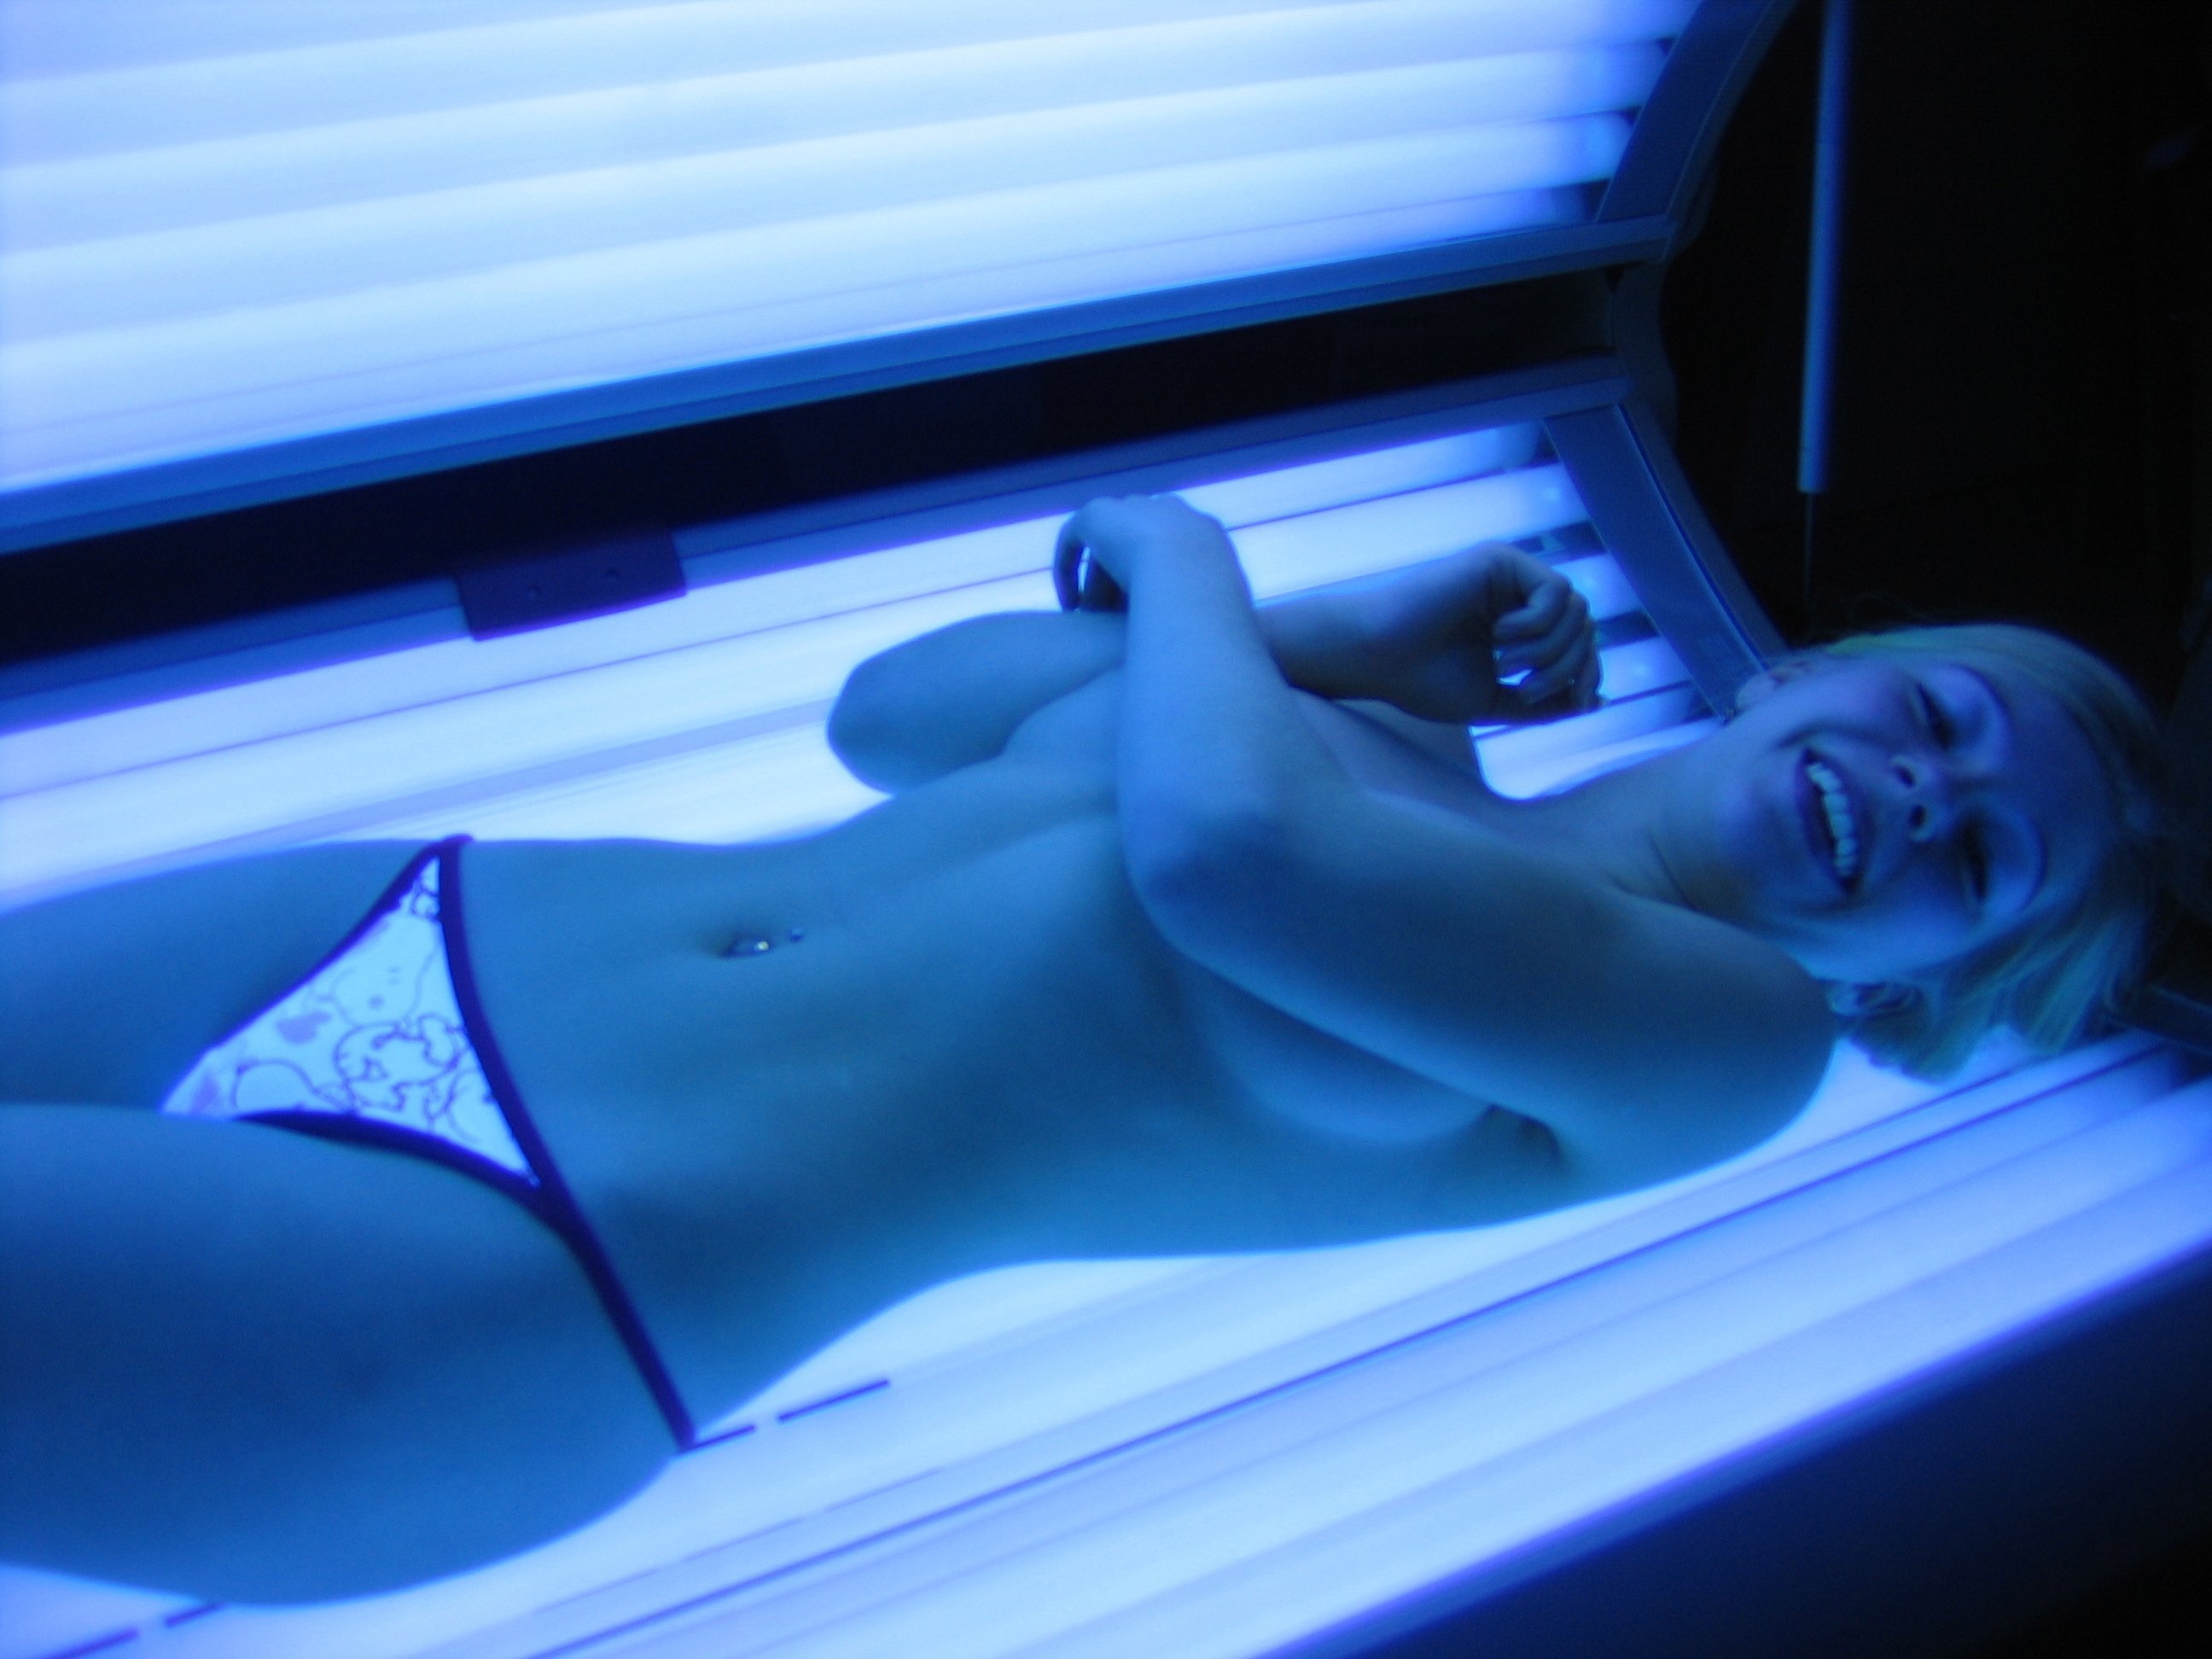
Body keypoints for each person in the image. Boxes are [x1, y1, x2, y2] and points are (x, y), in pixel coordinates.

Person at [0, 497, 2167, 1604]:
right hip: (410, 923)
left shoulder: (1728, 1045)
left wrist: (1190, 552)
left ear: (1909, 988)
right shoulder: (1366, 735)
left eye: (1980, 861)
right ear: (1812, 668)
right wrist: (1327, 637)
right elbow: (895, 719)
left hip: (532, 1278)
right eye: (1941, 718)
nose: (1922, 794)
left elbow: (1231, 862)